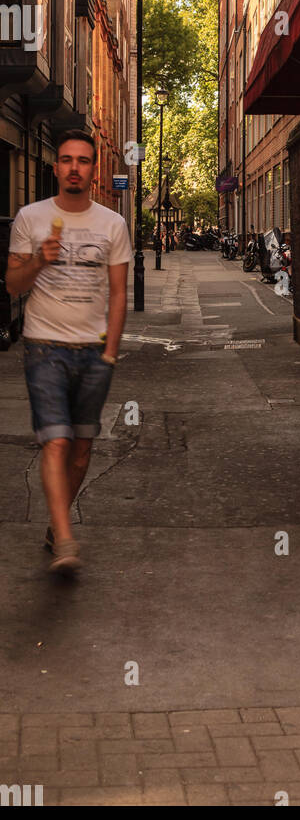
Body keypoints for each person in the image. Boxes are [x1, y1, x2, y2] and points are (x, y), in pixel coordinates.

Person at [5, 129, 132, 574]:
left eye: (83, 160)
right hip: (44, 347)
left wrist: (111, 351)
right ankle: (66, 541)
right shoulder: (30, 217)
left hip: (94, 351)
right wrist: (39, 259)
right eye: (66, 160)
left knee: (81, 450)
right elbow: (13, 286)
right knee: (55, 441)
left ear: (93, 170)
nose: (74, 167)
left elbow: (119, 294)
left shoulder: (112, 225)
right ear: (56, 167)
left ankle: (54, 525)